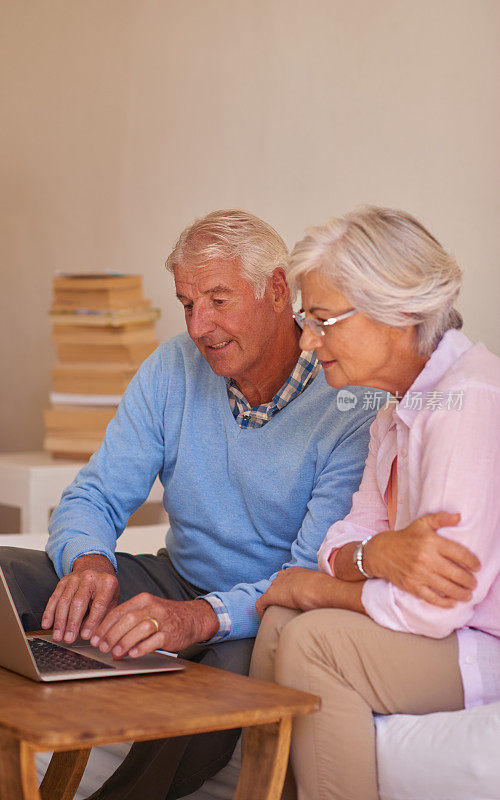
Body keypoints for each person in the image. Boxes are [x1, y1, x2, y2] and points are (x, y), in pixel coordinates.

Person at [0, 209, 380, 800]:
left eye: (219, 300)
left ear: (278, 292)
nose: (200, 326)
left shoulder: (348, 402)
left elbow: (305, 574)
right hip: (177, 577)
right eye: (187, 303)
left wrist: (201, 617)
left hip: (267, 610)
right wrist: (90, 561)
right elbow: (95, 493)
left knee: (221, 688)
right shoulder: (173, 367)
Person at [250, 205, 500, 800]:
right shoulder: (395, 409)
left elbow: (435, 610)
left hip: (481, 644)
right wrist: (376, 555)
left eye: (323, 320)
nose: (307, 343)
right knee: (280, 622)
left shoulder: (467, 404)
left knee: (312, 639)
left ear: (399, 312)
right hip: (446, 635)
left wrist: (315, 587)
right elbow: (341, 541)